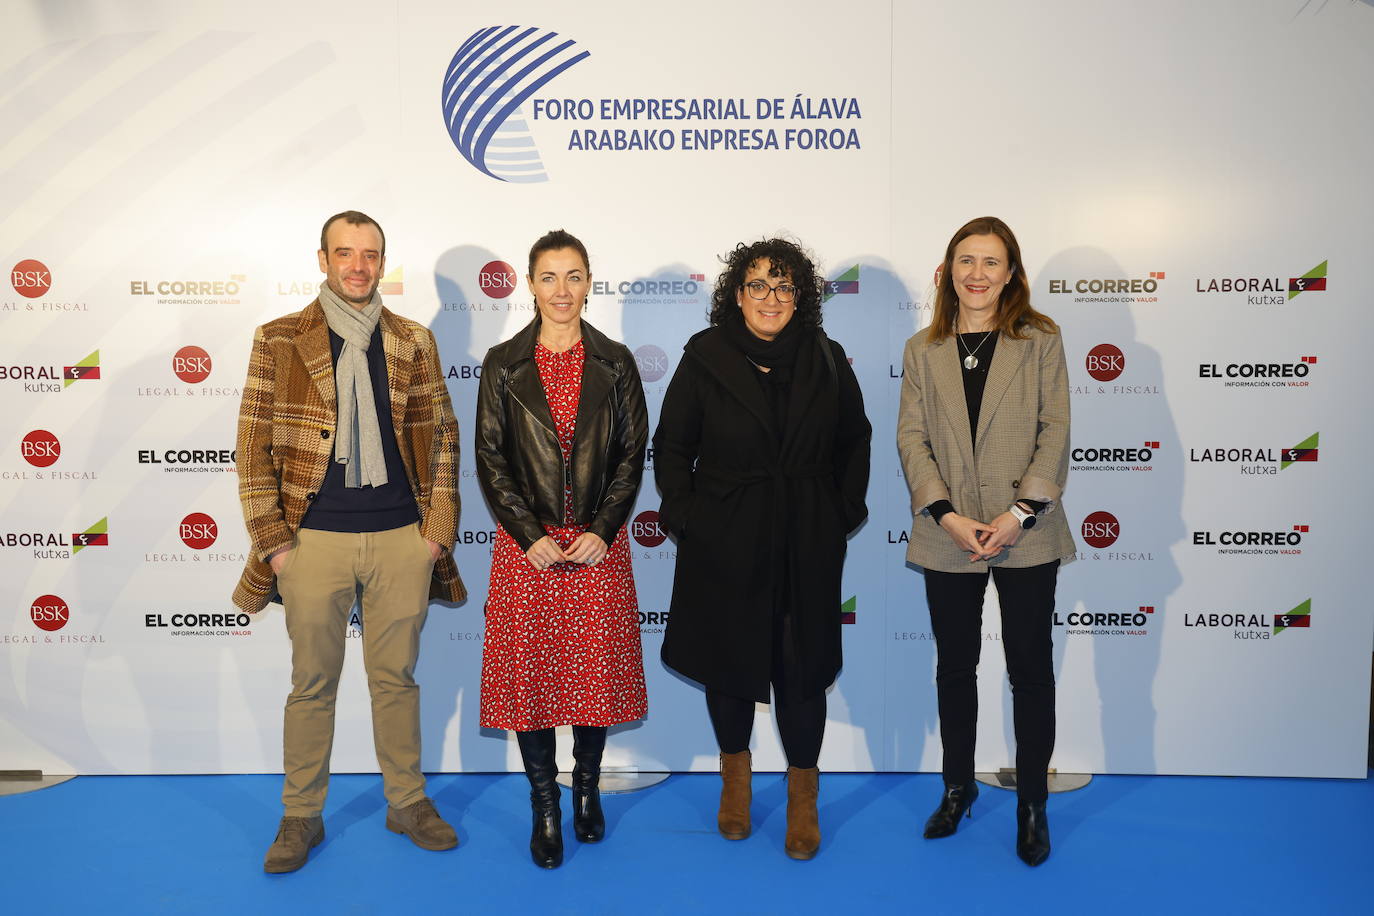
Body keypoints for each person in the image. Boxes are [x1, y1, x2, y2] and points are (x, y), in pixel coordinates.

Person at [233, 210, 465, 873]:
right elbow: (251, 448)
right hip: (312, 543)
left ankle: (407, 802)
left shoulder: (413, 340)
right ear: (323, 259)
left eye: (370, 255)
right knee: (312, 684)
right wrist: (276, 543)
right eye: (345, 253)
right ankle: (300, 816)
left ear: (382, 263)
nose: (358, 266)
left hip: (400, 537)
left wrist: (435, 534)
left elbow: (442, 437)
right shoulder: (279, 338)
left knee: (396, 680)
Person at [654, 238, 871, 861]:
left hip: (806, 531)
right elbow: (673, 447)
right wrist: (690, 517)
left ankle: (804, 795)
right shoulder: (705, 355)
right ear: (737, 294)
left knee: (801, 662)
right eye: (757, 286)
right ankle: (736, 785)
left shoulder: (826, 357)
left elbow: (855, 439)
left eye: (783, 287)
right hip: (725, 531)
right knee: (729, 659)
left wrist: (841, 512)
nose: (770, 299)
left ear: (798, 296)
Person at [896, 216, 1075, 867]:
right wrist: (945, 514)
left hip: (1025, 530)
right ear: (947, 272)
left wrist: (1018, 512)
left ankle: (1032, 804)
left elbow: (1055, 430)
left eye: (990, 262)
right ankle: (957, 787)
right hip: (949, 532)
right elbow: (911, 439)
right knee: (954, 668)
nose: (977, 274)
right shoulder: (923, 349)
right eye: (965, 261)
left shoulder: (1040, 340)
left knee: (1029, 669)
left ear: (1011, 274)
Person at [475, 229, 649, 869]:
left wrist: (604, 528)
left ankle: (585, 793)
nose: (562, 291)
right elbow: (490, 459)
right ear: (529, 284)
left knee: (593, 681)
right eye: (549, 277)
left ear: (589, 282)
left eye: (574, 276)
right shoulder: (502, 363)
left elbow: (633, 454)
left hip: (599, 549)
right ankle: (545, 805)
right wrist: (531, 536)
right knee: (533, 683)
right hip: (530, 552)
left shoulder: (616, 361)